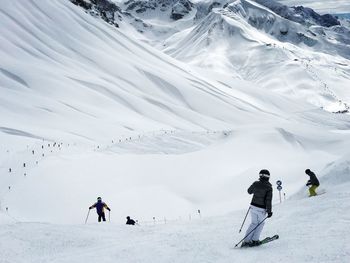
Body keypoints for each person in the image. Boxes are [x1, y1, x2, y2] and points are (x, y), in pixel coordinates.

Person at [241, 169, 273, 247]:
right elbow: (268, 200)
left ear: (260, 175)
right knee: (260, 224)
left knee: (254, 223)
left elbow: (249, 191)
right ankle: (255, 240)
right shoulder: (269, 187)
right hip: (261, 209)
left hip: (253, 206)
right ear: (268, 177)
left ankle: (246, 241)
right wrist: (269, 211)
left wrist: (255, 187)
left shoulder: (256, 183)